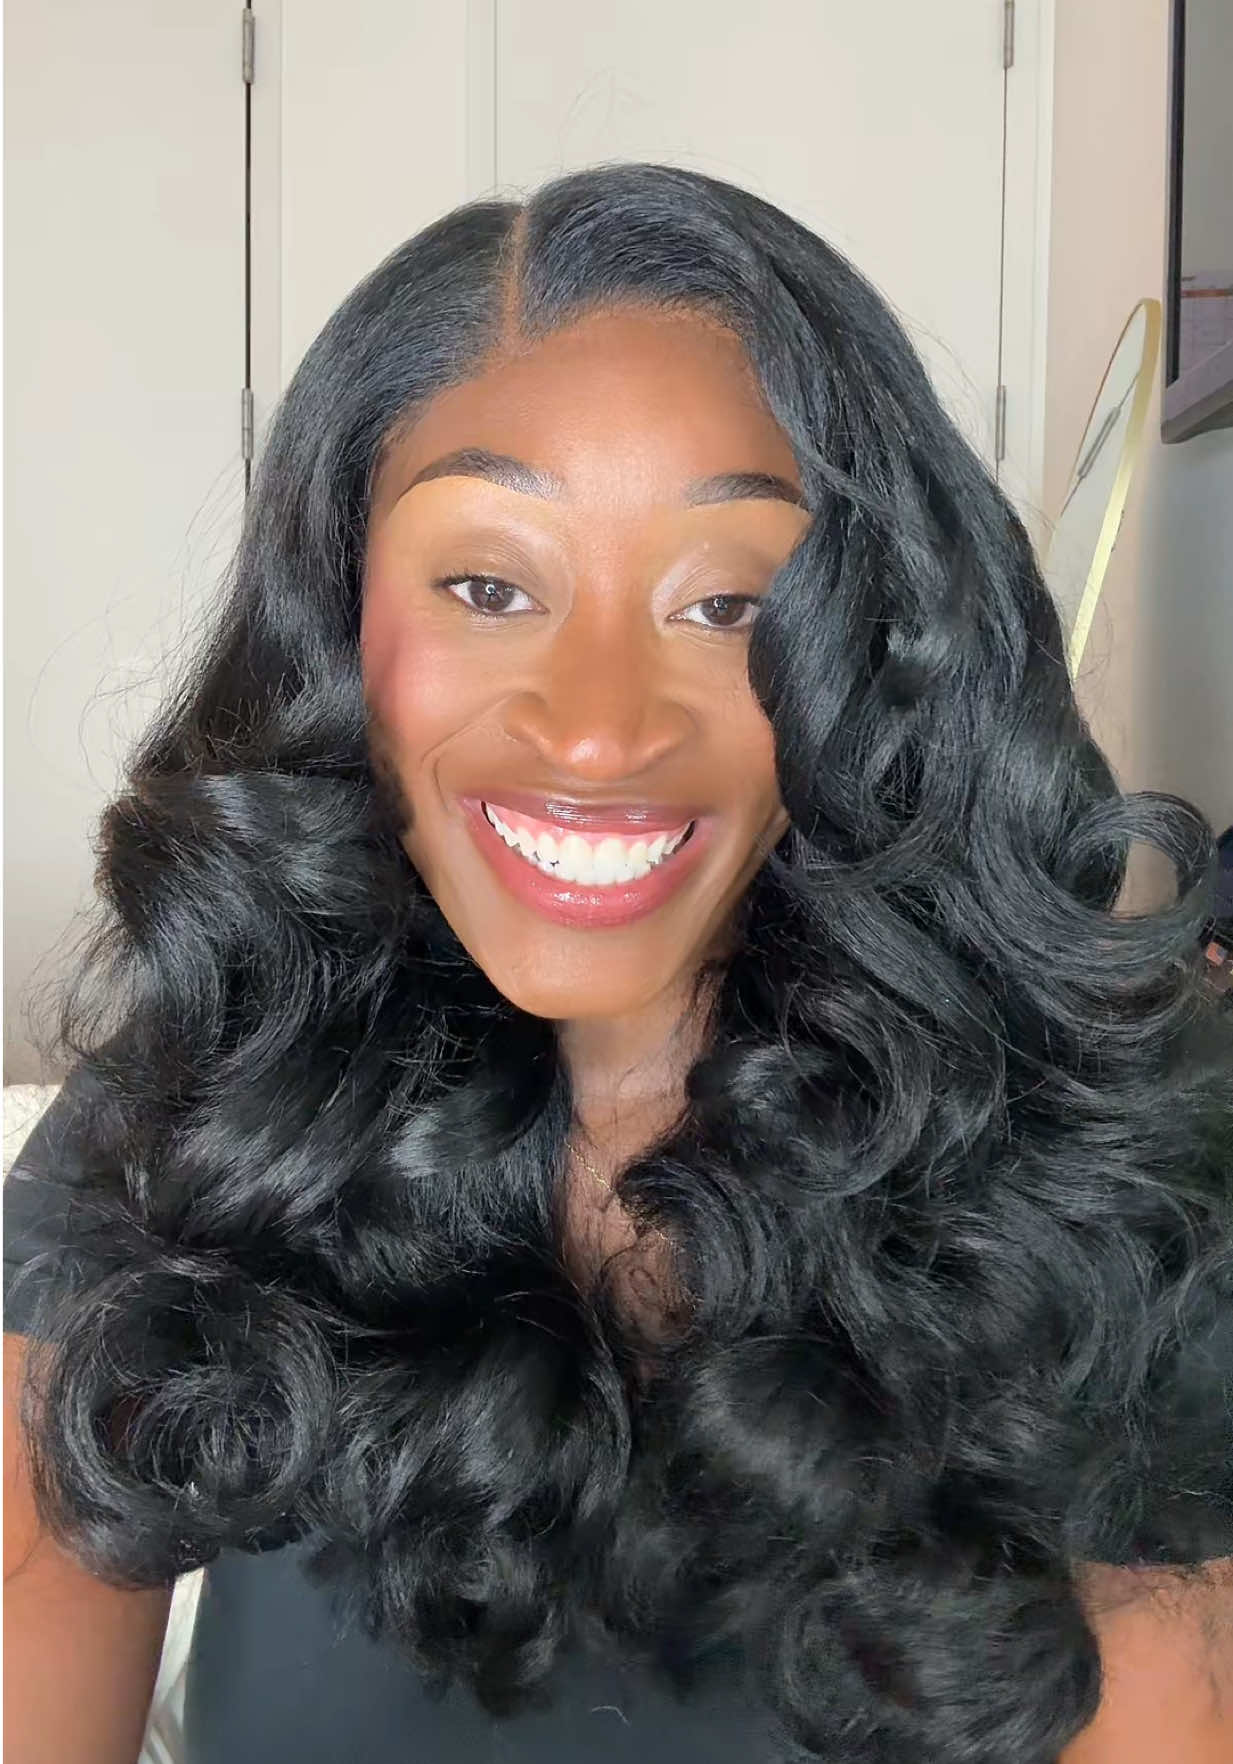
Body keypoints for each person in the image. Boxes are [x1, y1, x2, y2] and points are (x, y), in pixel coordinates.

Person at [5, 161, 1233, 1764]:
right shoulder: (188, 1119)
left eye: (725, 603)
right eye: (487, 585)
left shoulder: (1109, 1179)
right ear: (339, 617)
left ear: (873, 649)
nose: (597, 728)